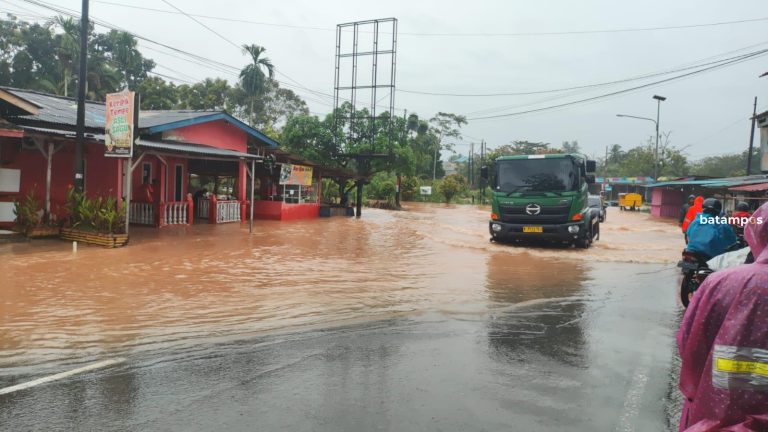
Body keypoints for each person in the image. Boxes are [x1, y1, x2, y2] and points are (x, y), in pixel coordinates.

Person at [677, 201, 768, 431]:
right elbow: (728, 239)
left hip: (718, 415)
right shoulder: (722, 221)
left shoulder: (722, 281)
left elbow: (689, 345)